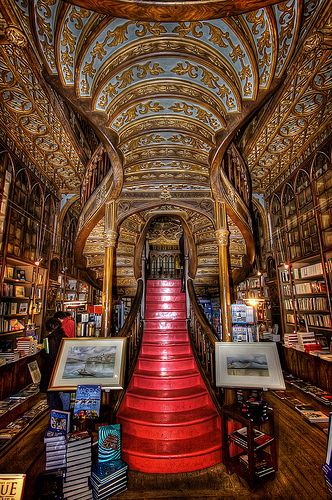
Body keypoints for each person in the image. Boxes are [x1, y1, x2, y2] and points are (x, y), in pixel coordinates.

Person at [42, 317, 65, 410]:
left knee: (52, 397)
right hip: (62, 370)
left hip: (51, 371)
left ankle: (55, 418)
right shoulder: (65, 337)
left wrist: (42, 352)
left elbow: (49, 356)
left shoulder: (49, 339)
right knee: (63, 395)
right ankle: (64, 415)